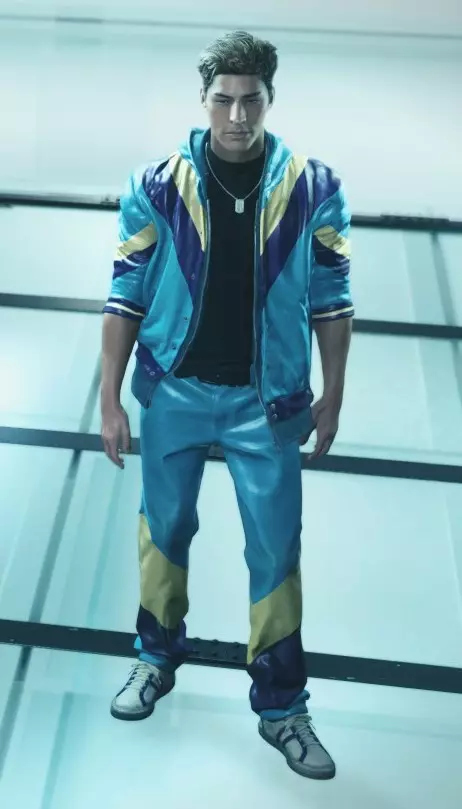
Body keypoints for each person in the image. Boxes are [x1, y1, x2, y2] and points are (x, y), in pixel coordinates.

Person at [100, 30, 353, 781]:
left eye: (251, 101)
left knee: (275, 549)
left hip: (266, 401)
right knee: (164, 529)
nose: (237, 115)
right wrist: (110, 398)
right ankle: (154, 657)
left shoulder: (314, 187)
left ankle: (282, 707)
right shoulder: (156, 183)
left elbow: (333, 298)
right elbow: (124, 292)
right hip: (174, 389)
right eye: (224, 100)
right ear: (204, 99)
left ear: (270, 99)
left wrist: (334, 394)